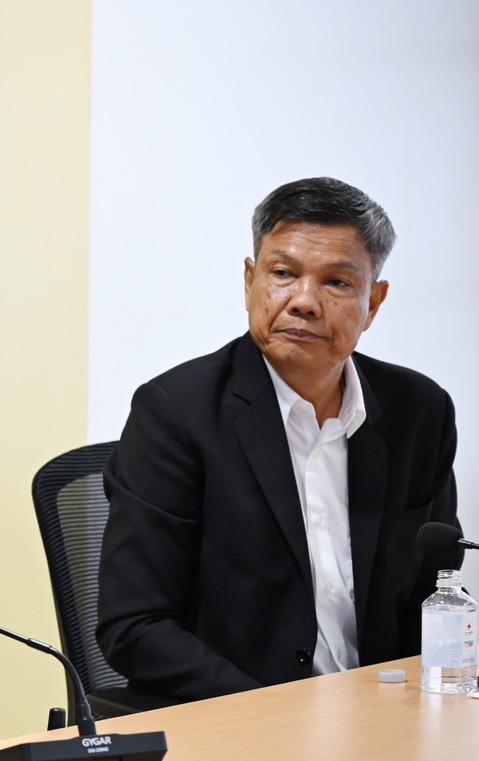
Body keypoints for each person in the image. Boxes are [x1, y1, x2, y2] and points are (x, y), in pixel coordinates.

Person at [98, 177, 463, 702]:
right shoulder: (177, 413)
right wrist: (283, 716)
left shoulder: (419, 412)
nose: (304, 302)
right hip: (240, 717)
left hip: (380, 715)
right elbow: (134, 627)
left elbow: (433, 591)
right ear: (251, 281)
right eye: (284, 274)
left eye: (337, 282)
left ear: (374, 302)